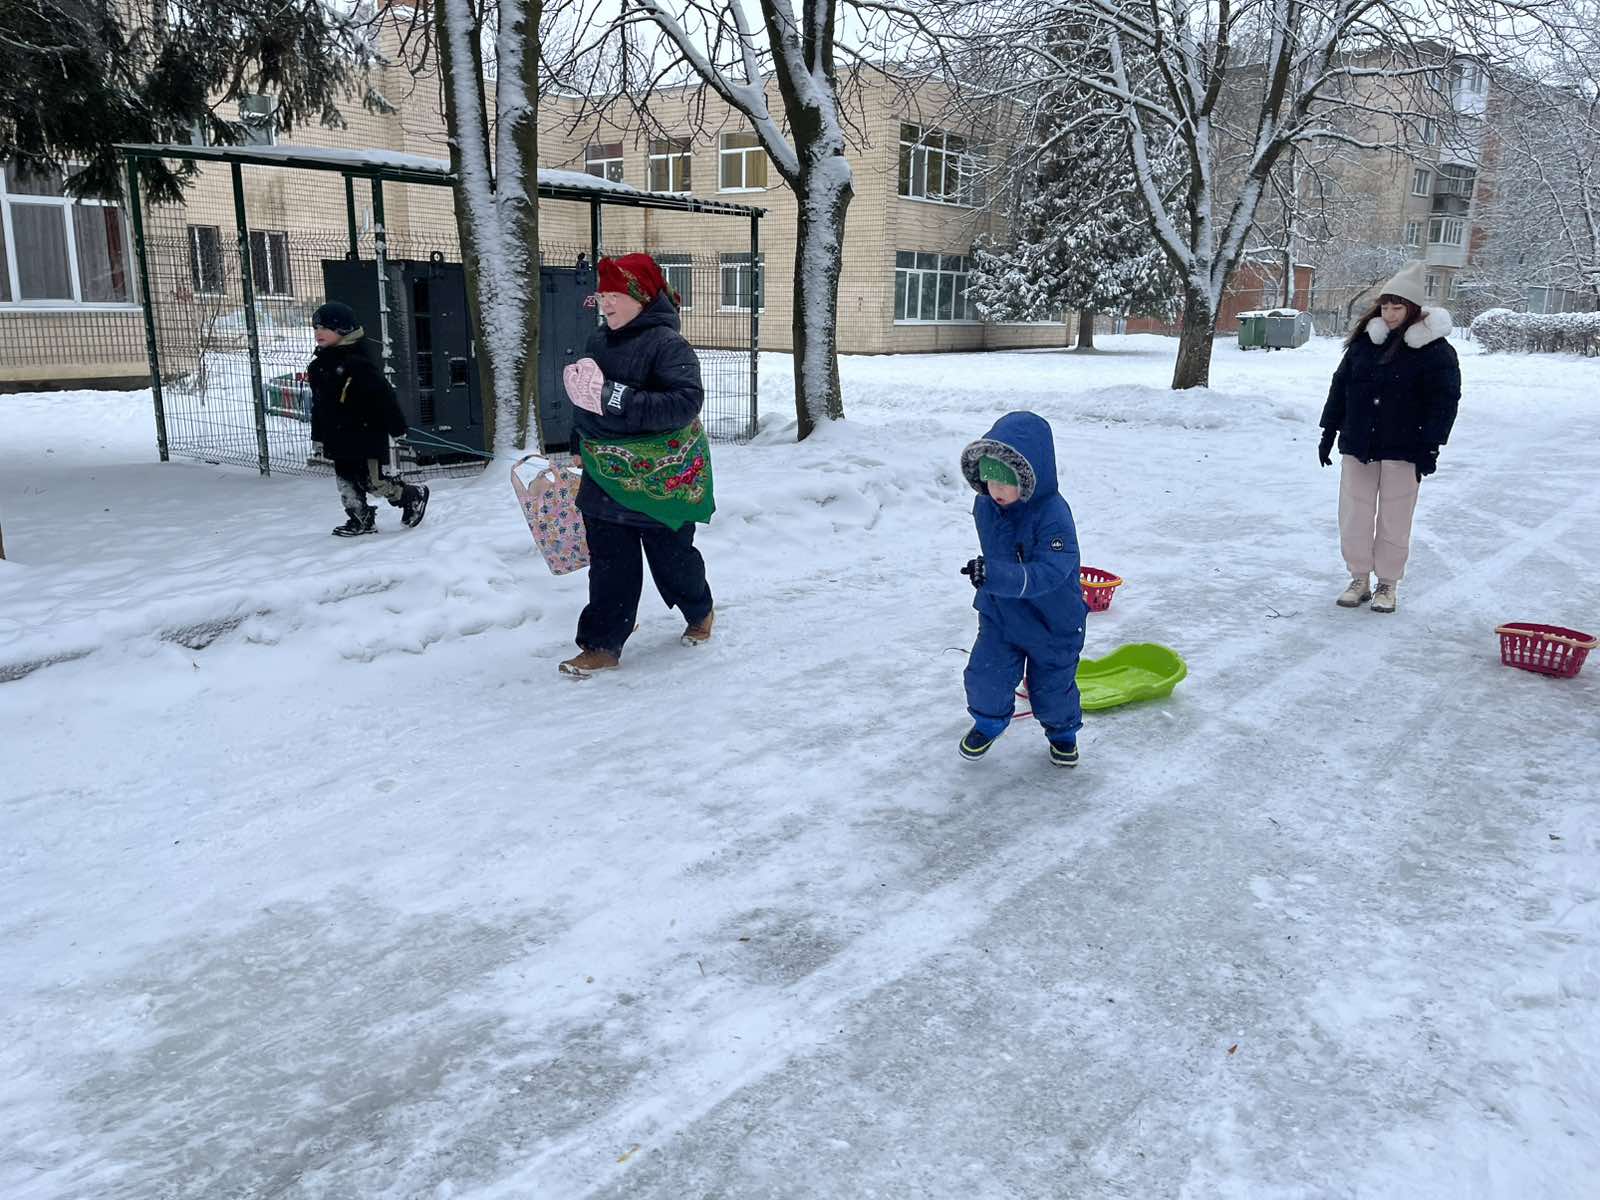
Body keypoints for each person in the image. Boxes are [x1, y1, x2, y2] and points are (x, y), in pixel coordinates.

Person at [558, 253, 715, 678]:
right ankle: (601, 645)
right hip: (604, 472)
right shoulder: (598, 341)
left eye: (614, 294)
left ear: (641, 296)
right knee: (610, 566)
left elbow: (684, 403)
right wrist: (577, 442)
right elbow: (584, 402)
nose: (605, 303)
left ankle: (699, 609)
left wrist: (615, 396)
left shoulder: (669, 345)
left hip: (659, 479)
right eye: (602, 295)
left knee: (673, 560)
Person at [1317, 261, 1459, 613]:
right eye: (1385, 306)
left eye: (1398, 308)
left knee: (1395, 518)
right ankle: (1359, 578)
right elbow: (1341, 387)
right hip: (1359, 443)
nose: (1390, 314)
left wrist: (1431, 445)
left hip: (1405, 447)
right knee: (1354, 514)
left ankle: (1387, 583)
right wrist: (1329, 430)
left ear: (1412, 309)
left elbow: (1445, 401)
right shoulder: (1365, 344)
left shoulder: (1435, 351)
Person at [957, 411, 1088, 767]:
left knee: (1052, 688)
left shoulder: (1053, 515)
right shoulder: (986, 505)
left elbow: (1052, 571)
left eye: (1005, 482)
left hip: (1053, 620)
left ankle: (1062, 733)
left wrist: (998, 575)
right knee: (986, 674)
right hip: (1002, 613)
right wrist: (988, 576)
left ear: (1030, 477)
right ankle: (988, 723)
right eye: (989, 480)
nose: (995, 491)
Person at [306, 301, 429, 536]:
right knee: (346, 482)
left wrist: (397, 427)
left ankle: (412, 496)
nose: (318, 332)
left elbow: (384, 397)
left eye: (325, 327)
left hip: (366, 434)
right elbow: (319, 405)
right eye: (316, 328)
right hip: (337, 436)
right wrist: (318, 435)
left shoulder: (358, 364)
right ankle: (360, 518)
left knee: (373, 481)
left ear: (343, 330)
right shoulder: (318, 367)